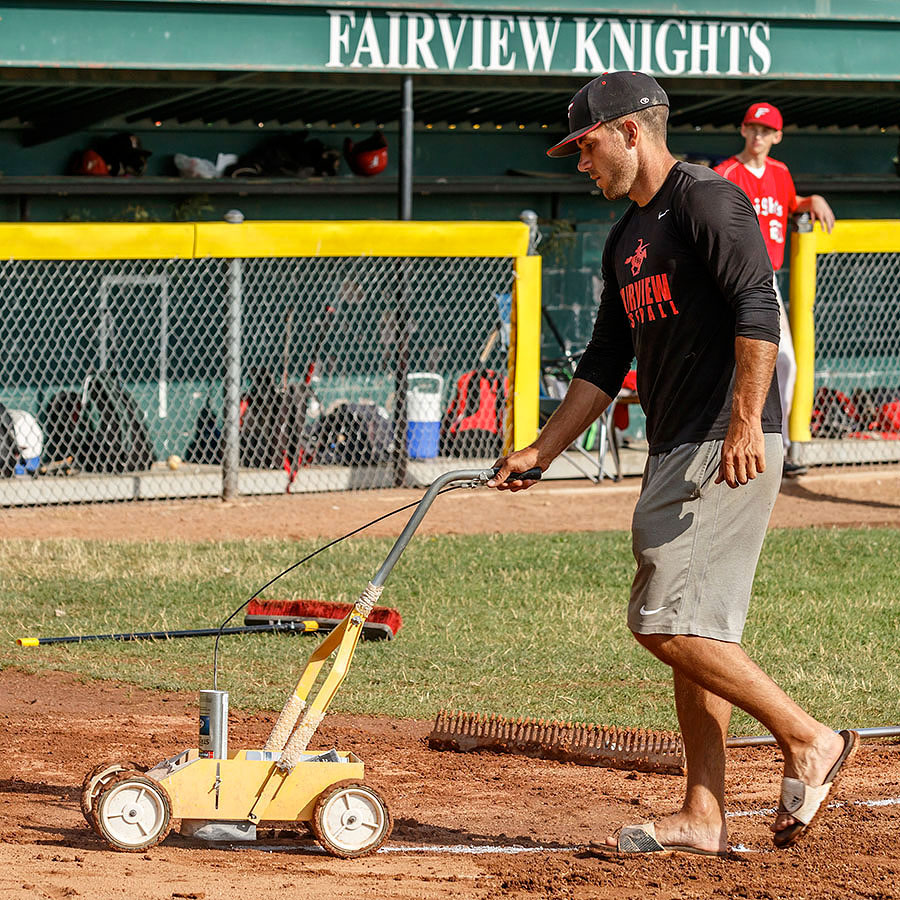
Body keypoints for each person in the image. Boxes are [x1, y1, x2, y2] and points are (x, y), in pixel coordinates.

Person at [490, 71, 857, 856]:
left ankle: (809, 739)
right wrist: (541, 451)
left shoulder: (706, 199)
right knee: (700, 629)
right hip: (677, 443)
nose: (578, 162)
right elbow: (605, 358)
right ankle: (704, 814)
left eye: (584, 145)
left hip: (723, 441)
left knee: (660, 619)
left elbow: (761, 306)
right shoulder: (627, 237)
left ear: (630, 132)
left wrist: (746, 425)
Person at [714, 103, 836, 477]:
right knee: (726, 365)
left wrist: (810, 200)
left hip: (765, 284)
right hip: (728, 281)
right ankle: (718, 442)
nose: (758, 136)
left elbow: (790, 205)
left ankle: (775, 448)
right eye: (753, 128)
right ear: (742, 130)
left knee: (784, 361)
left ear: (777, 136)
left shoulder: (781, 173)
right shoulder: (725, 173)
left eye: (766, 131)